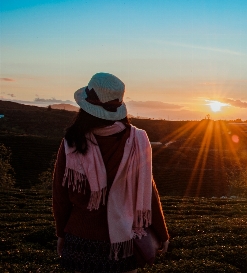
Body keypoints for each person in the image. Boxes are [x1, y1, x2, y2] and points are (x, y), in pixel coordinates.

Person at [53, 72, 169, 273]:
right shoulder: (137, 141)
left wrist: (62, 234)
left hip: (79, 241)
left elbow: (60, 196)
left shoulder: (71, 143)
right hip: (123, 244)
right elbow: (148, 192)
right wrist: (162, 233)